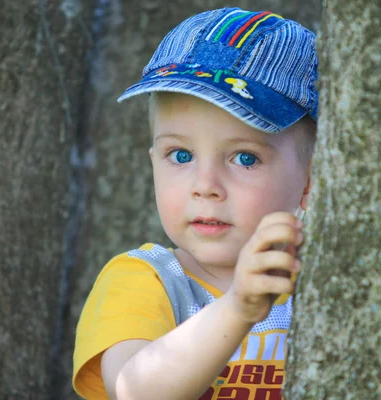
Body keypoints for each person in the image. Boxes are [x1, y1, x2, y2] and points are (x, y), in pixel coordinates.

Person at [73, 7, 319, 400]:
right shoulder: (145, 281)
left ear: (312, 179)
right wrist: (237, 308)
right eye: (181, 155)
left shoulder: (323, 284)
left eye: (245, 158)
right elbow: (136, 391)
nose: (206, 186)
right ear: (154, 161)